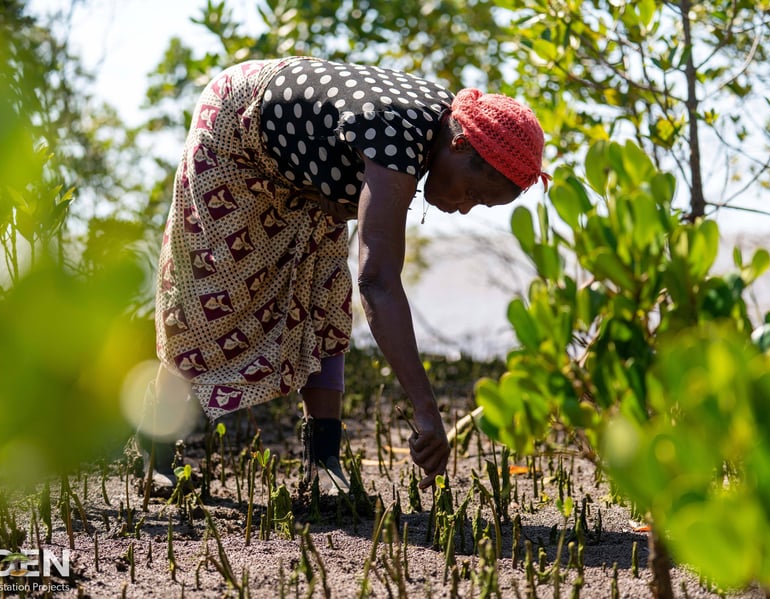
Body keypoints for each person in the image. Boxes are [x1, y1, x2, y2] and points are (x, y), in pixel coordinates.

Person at [147, 56, 546, 494]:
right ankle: (155, 450)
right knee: (210, 301)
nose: (465, 206)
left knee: (325, 292)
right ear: (460, 146)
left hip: (306, 174)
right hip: (233, 131)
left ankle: (324, 463)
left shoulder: (438, 131)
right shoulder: (398, 135)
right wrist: (427, 410)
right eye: (472, 191)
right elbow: (376, 282)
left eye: (479, 205)